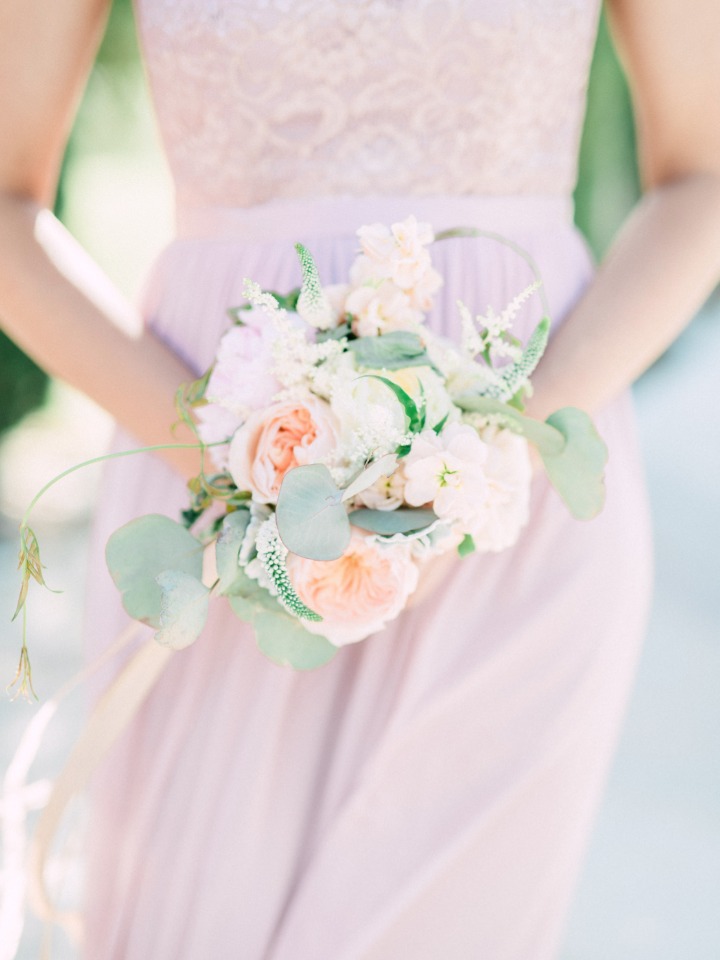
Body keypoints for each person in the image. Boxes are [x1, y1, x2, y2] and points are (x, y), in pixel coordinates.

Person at [1, 1, 719, 957]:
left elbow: (702, 175)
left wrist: (493, 454)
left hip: (517, 511)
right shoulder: (226, 482)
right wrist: (245, 472)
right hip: (215, 510)